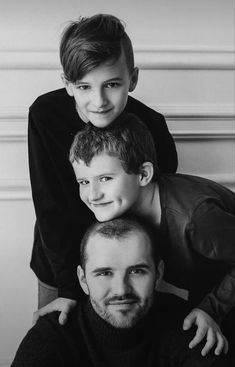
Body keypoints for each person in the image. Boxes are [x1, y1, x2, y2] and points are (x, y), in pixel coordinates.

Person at [29, 13, 177, 322]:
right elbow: (49, 206)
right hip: (61, 265)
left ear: (132, 78)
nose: (98, 101)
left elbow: (161, 211)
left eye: (111, 84)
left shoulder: (153, 126)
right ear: (68, 85)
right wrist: (69, 287)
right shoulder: (45, 116)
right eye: (84, 87)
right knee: (54, 341)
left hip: (130, 265)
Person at [69, 112, 235, 357]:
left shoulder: (196, 218)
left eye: (105, 178)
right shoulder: (120, 205)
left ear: (144, 175)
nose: (92, 195)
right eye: (84, 182)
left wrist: (212, 309)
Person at [11, 217, 233, 366]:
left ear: (158, 273)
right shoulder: (55, 332)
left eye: (136, 271)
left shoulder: (190, 328)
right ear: (83, 279)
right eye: (104, 273)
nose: (121, 290)